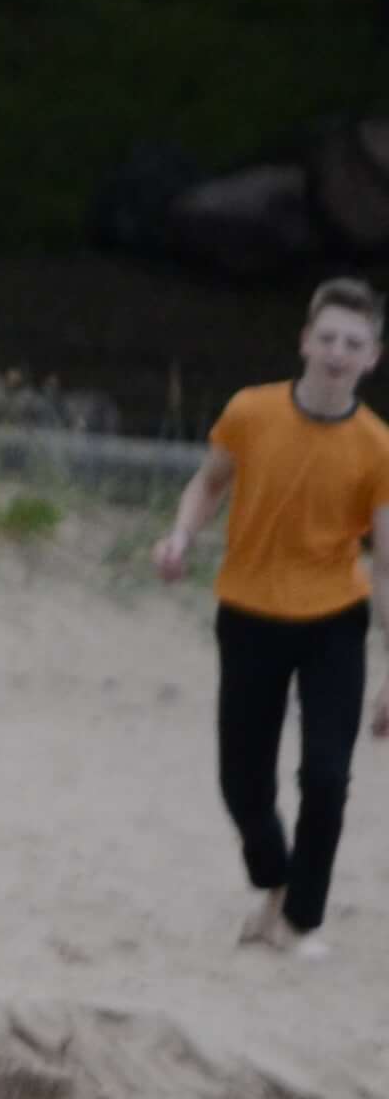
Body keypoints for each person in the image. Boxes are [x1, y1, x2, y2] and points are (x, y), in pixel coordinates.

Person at [155, 275, 389, 953]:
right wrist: (180, 536)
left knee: (325, 775)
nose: (337, 353)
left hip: (333, 619)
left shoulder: (377, 447)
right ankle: (275, 879)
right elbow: (208, 482)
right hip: (249, 611)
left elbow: (386, 563)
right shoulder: (251, 413)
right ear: (305, 342)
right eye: (328, 339)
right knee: (241, 780)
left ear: (372, 356)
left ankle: (299, 920)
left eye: (354, 343)